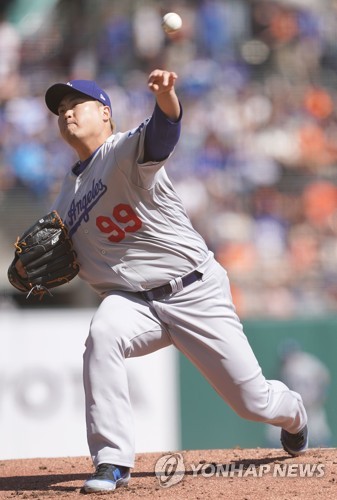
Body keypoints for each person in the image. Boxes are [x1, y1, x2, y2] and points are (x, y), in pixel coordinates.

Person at [40, 69, 308, 493]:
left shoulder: (123, 150)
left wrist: (167, 97)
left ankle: (294, 412)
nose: (66, 113)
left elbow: (164, 132)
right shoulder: (65, 198)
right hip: (134, 303)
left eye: (76, 104)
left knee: (252, 402)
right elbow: (65, 261)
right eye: (60, 109)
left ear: (105, 113)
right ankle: (112, 461)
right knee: (104, 332)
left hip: (194, 290)